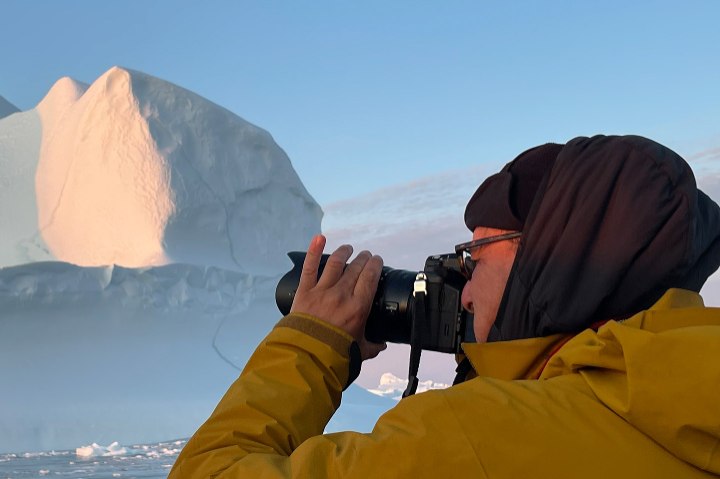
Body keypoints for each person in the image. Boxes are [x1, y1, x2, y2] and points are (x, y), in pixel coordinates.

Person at [169, 135, 720, 478]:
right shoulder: (686, 389)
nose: (468, 288)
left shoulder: (477, 437)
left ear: (551, 260)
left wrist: (311, 345)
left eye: (474, 256)